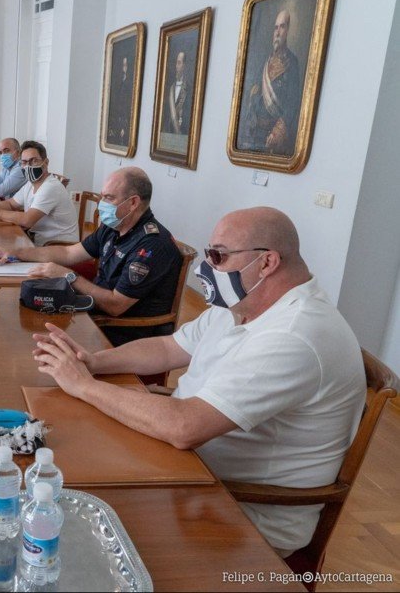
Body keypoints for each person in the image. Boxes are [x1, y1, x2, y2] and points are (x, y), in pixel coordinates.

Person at [31, 207, 366, 557]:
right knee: (63, 461)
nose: (208, 268)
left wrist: (85, 385)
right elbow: (167, 347)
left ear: (267, 263)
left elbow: (185, 426)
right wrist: (94, 361)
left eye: (218, 256)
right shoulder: (245, 302)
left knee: (69, 518)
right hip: (187, 465)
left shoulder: (296, 334)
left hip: (238, 509)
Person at [0, 167, 181, 346]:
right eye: (102, 197)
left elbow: (115, 305)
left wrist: (69, 276)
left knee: (24, 338)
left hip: (121, 335)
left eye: (109, 198)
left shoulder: (151, 246)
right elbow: (68, 252)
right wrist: (16, 254)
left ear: (133, 203)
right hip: (93, 312)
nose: (102, 204)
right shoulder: (114, 227)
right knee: (16, 320)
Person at [0, 140, 78, 247]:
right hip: (37, 241)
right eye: (24, 162)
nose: (28, 166)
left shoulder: (51, 187)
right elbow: (11, 204)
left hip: (58, 247)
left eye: (34, 161)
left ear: (46, 162)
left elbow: (27, 220)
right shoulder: (30, 184)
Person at [239, 9, 302, 155]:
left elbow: (292, 105)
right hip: (256, 133)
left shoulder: (292, 63)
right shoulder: (264, 62)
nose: (278, 32)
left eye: (282, 26)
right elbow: (253, 92)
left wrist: (276, 133)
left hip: (273, 137)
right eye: (276, 27)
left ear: (288, 31)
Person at [164, 51, 192, 135]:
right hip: (168, 132)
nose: (176, 66)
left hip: (181, 133)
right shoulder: (171, 88)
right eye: (176, 63)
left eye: (179, 63)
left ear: (184, 66)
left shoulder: (188, 88)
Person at [108, 56, 132, 145]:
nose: (124, 68)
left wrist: (124, 127)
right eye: (123, 65)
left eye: (125, 65)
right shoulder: (119, 81)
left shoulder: (129, 83)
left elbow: (127, 107)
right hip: (117, 120)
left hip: (124, 121)